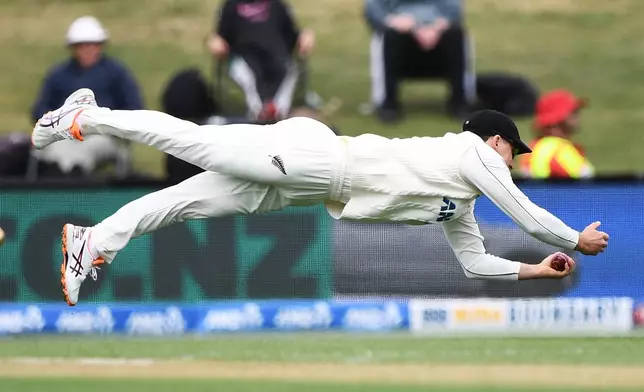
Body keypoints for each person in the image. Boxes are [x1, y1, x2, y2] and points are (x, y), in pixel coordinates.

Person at [31, 89, 609, 306]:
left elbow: (473, 262)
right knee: (197, 143)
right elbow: (527, 213)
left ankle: (91, 241)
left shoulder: (457, 202)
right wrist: (575, 241)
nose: (516, 161)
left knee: (184, 202)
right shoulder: (474, 154)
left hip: (306, 191)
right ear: (496, 140)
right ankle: (89, 114)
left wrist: (536, 270)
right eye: (516, 151)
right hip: (318, 158)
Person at [30, 16, 144, 178]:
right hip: (63, 134)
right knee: (56, 150)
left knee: (87, 150)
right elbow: (40, 109)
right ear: (73, 48)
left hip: (102, 135)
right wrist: (58, 121)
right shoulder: (58, 75)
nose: (87, 50)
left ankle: (73, 179)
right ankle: (68, 178)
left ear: (100, 46)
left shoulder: (116, 73)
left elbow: (134, 107)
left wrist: (106, 122)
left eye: (92, 44)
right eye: (81, 45)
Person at [364, 0, 475, 123]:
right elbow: (373, 10)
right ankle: (389, 104)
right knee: (390, 35)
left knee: (455, 33)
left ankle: (459, 102)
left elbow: (454, 11)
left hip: (437, 31)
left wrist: (437, 26)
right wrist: (393, 22)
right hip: (400, 32)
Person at [208, 0, 315, 121]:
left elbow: (292, 33)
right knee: (249, 75)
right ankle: (259, 113)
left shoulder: (277, 4)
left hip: (277, 54)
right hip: (244, 54)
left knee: (287, 70)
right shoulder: (232, 5)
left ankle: (277, 113)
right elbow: (221, 35)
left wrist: (304, 37)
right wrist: (216, 41)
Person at [519, 89, 594, 179]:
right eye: (573, 111)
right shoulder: (557, 150)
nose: (578, 115)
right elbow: (586, 185)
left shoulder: (536, 147)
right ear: (557, 118)